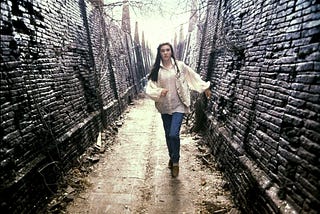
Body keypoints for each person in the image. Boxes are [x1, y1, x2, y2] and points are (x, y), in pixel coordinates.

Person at [145, 42, 211, 178]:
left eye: (168, 50)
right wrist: (159, 92)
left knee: (174, 134)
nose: (165, 53)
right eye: (162, 50)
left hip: (179, 105)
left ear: (171, 52)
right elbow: (149, 88)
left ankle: (175, 162)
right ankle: (172, 156)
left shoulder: (180, 66)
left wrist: (204, 87)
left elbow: (193, 76)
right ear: (160, 53)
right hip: (164, 106)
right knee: (168, 135)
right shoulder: (157, 70)